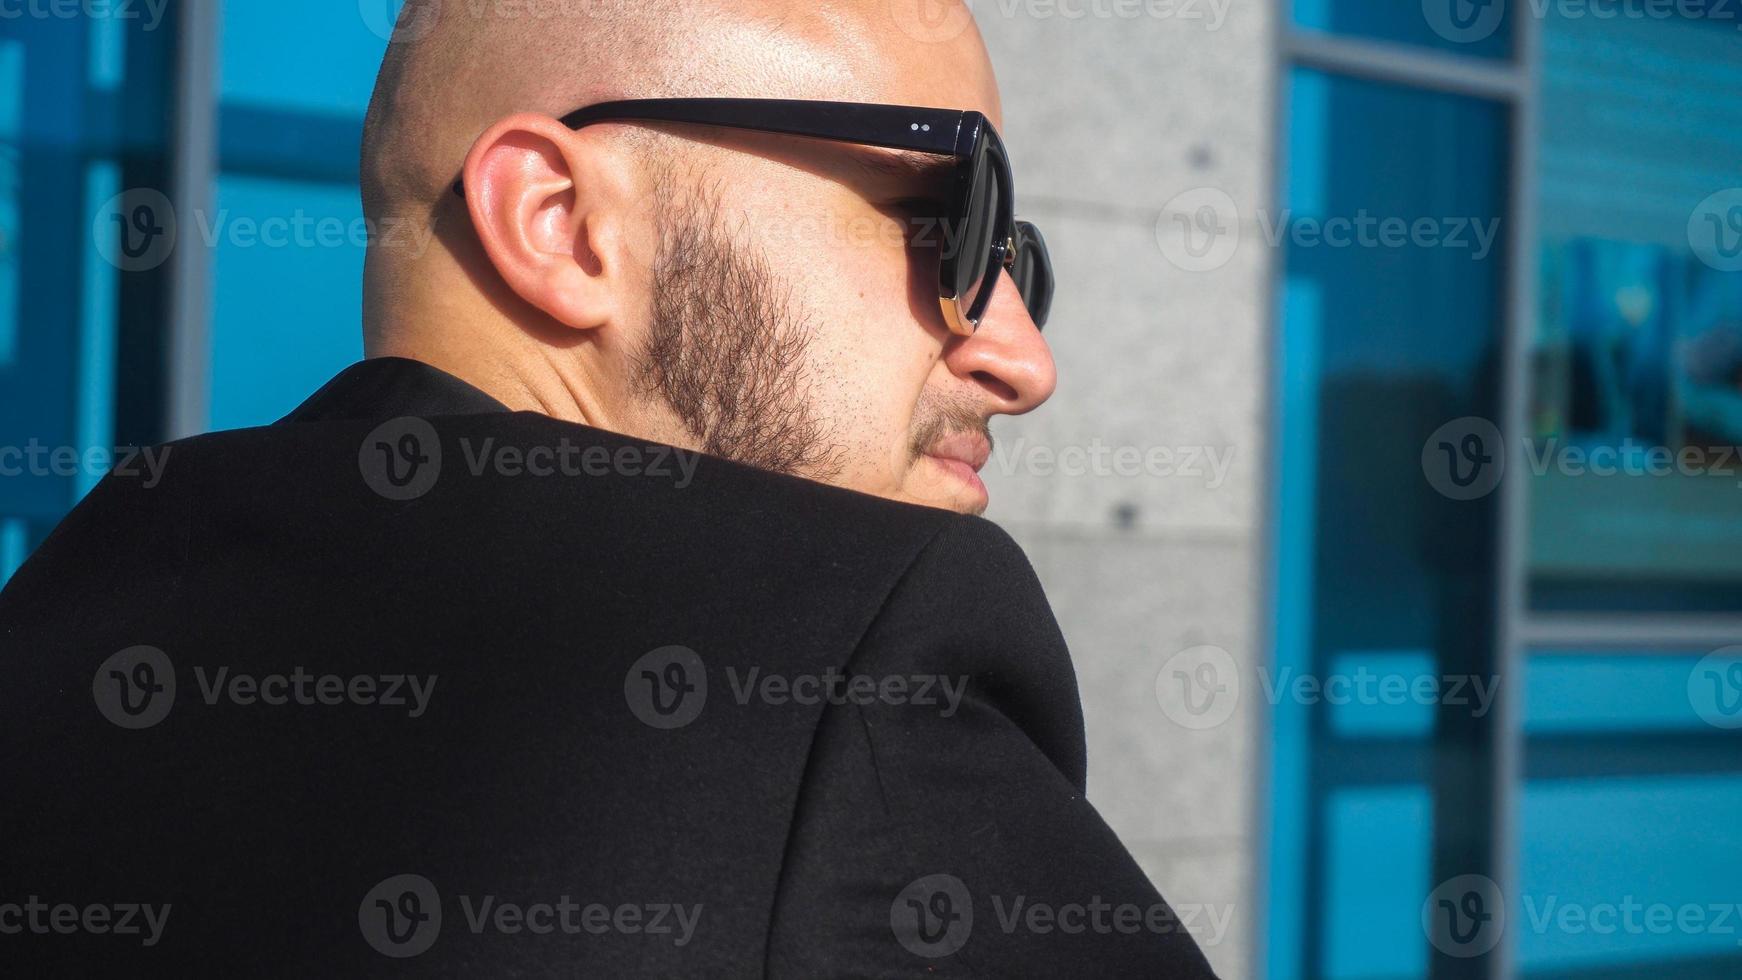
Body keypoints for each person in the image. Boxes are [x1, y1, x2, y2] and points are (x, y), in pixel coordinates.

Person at [0, 1, 1217, 974]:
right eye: (943, 219)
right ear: (558, 222)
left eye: (1015, 262)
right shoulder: (846, 666)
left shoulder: (66, 614)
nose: (1022, 357)